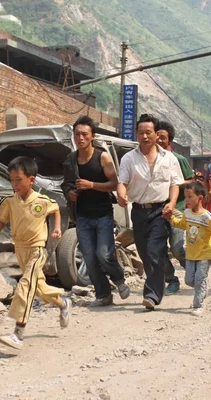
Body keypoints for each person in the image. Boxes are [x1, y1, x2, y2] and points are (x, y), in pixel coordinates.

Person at [0, 156, 71, 349]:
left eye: (18, 179)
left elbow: (56, 209)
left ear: (31, 180)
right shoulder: (10, 202)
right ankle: (63, 302)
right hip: (20, 250)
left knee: (25, 286)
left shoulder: (41, 200)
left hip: (36, 250)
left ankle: (18, 333)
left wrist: (56, 228)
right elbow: (2, 218)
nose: (14, 184)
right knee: (38, 287)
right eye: (12, 180)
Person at [61, 116, 130, 306]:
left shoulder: (103, 157)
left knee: (104, 254)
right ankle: (103, 295)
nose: (80, 138)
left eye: (84, 134)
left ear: (92, 136)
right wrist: (70, 194)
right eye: (77, 134)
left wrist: (91, 185)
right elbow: (65, 184)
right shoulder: (70, 160)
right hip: (82, 216)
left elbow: (115, 184)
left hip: (103, 214)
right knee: (90, 258)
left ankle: (119, 280)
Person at [117, 114, 184, 310]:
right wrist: (121, 195)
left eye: (148, 132)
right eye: (141, 133)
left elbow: (175, 184)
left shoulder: (169, 158)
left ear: (156, 134)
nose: (145, 136)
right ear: (136, 135)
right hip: (138, 211)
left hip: (160, 211)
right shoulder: (129, 158)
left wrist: (171, 203)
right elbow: (122, 182)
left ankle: (152, 295)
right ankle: (158, 284)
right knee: (145, 253)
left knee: (155, 251)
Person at [165, 182, 211, 316]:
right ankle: (202, 289)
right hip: (191, 254)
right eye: (186, 197)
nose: (187, 200)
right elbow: (182, 224)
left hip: (205, 254)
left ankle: (198, 305)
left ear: (200, 198)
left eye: (189, 197)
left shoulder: (207, 217)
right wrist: (170, 218)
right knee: (189, 280)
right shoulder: (187, 213)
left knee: (200, 279)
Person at [155, 120, 194, 296]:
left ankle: (193, 270)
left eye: (163, 137)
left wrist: (175, 184)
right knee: (158, 250)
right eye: (157, 136)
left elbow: (191, 180)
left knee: (177, 248)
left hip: (176, 210)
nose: (159, 140)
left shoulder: (179, 159)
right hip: (154, 211)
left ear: (169, 140)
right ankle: (171, 280)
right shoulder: (149, 159)